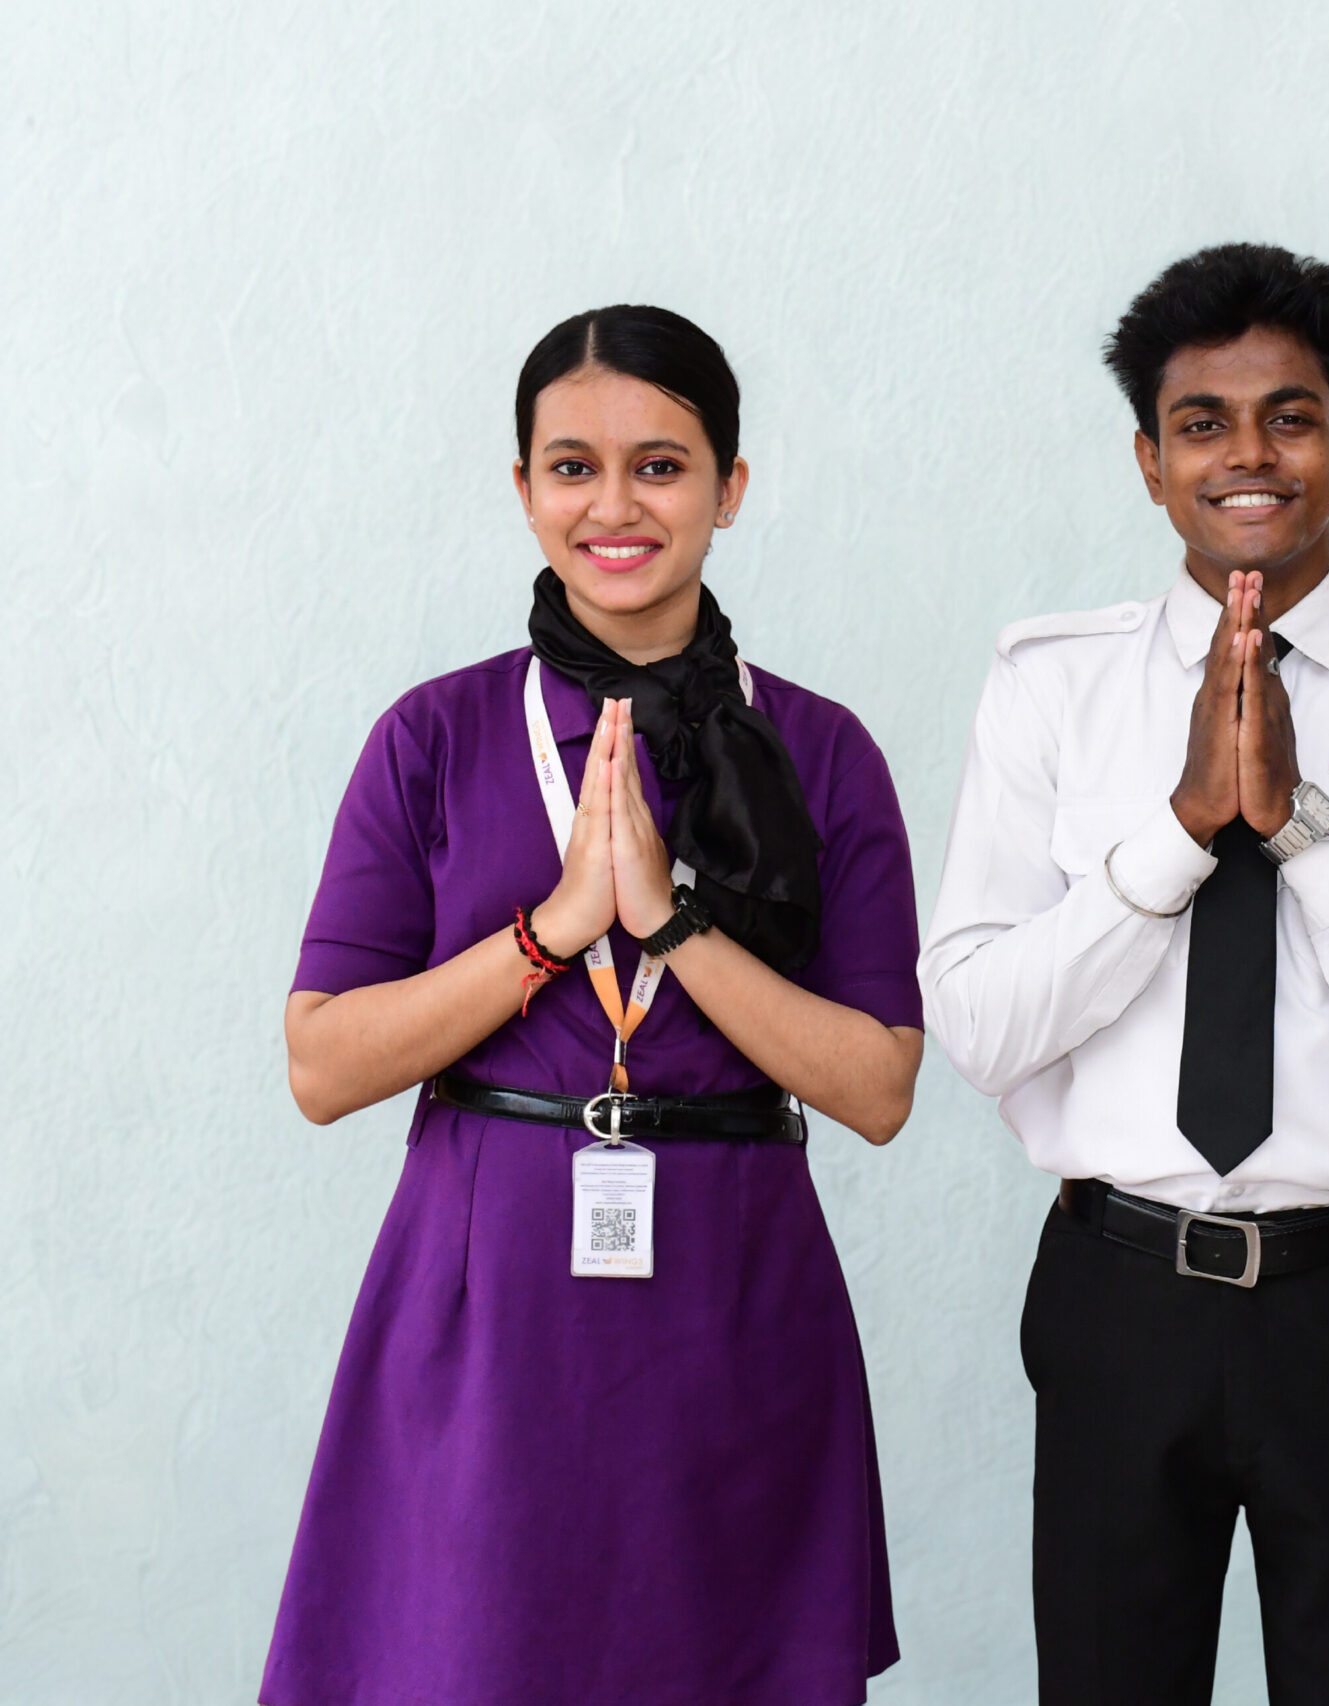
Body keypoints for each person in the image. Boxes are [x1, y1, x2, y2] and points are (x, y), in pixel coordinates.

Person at [920, 243, 1329, 1706]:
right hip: (1119, 1291)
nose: (1249, 455)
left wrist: (1304, 829)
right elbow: (976, 1020)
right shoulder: (1050, 683)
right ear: (1149, 462)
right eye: (1203, 423)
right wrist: (1174, 837)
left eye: (1289, 416)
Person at [261, 305, 924, 1706]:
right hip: (481, 1301)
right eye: (571, 466)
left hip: (731, 1298)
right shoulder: (433, 736)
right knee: (471, 1656)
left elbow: (873, 1087)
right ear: (522, 491)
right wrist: (554, 929)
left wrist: (672, 924)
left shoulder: (819, 747)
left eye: (662, 466)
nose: (614, 506)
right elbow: (323, 1062)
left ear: (731, 488)